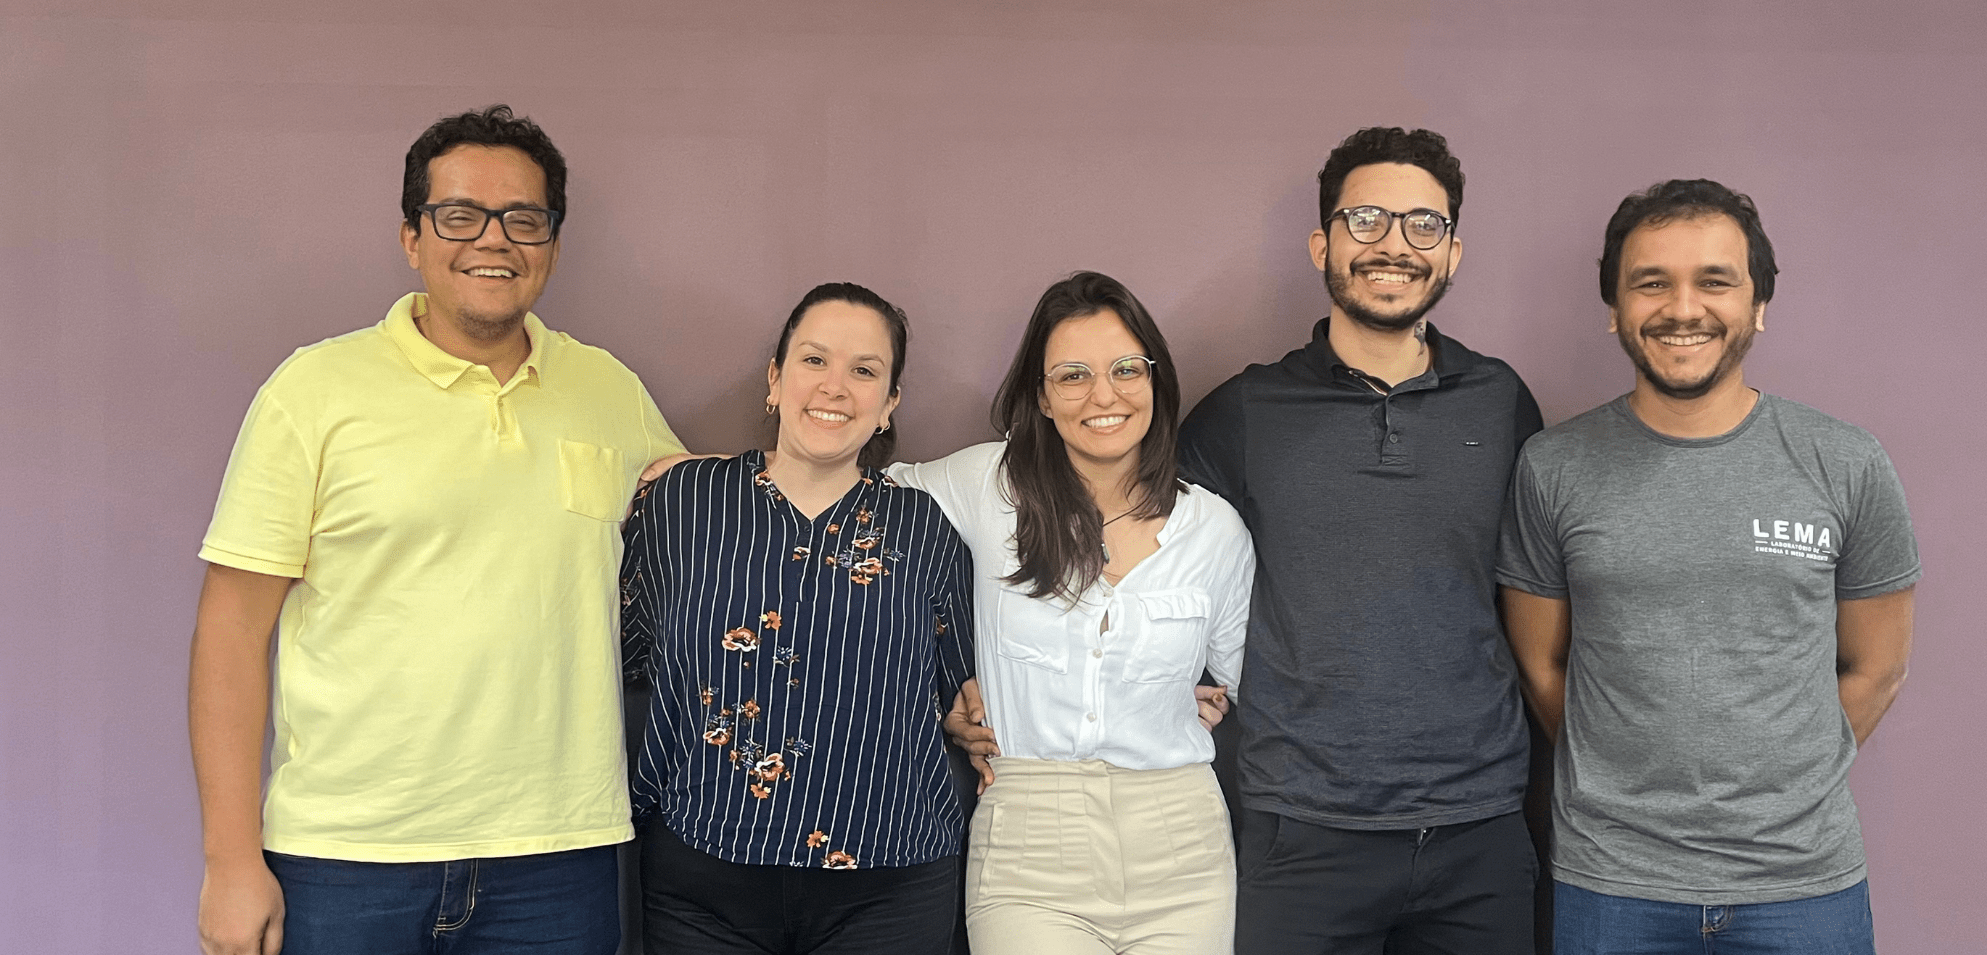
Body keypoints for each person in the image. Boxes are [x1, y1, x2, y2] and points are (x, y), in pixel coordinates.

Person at [189, 105, 684, 955]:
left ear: (553, 245)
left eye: (523, 219)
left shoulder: (610, 391)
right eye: (459, 215)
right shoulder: (312, 392)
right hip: (346, 854)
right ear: (413, 237)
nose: (493, 240)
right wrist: (231, 861)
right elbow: (232, 632)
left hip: (558, 855)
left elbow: (733, 534)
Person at [1496, 179, 1918, 954]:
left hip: (1802, 883)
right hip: (1612, 881)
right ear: (1616, 309)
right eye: (1650, 282)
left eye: (1714, 281)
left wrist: (1786, 782)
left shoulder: (1847, 464)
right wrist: (1624, 771)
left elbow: (1878, 667)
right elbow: (1542, 666)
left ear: (1758, 305)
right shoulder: (1552, 468)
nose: (1682, 308)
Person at [1176, 127, 1544, 955]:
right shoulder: (1243, 412)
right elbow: (1149, 569)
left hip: (1479, 827)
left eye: (1424, 225)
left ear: (1452, 253)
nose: (1393, 245)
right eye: (1367, 218)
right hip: (1300, 829)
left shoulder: (1502, 401)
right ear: (1323, 243)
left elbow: (1535, 590)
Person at [888, 272, 1255, 954]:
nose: (1104, 395)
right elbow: (854, 497)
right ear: (1042, 397)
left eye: (1125, 369)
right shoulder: (988, 484)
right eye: (1074, 375)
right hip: (1030, 841)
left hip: (1182, 842)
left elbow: (1245, 680)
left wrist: (1179, 695)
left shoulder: (1215, 530)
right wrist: (942, 687)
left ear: (1156, 379)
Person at [623, 283, 975, 954]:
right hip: (705, 870)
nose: (835, 387)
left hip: (889, 881)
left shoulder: (924, 526)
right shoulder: (683, 502)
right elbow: (624, 649)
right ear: (776, 379)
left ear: (889, 403)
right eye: (815, 360)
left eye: (864, 370)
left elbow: (968, 689)